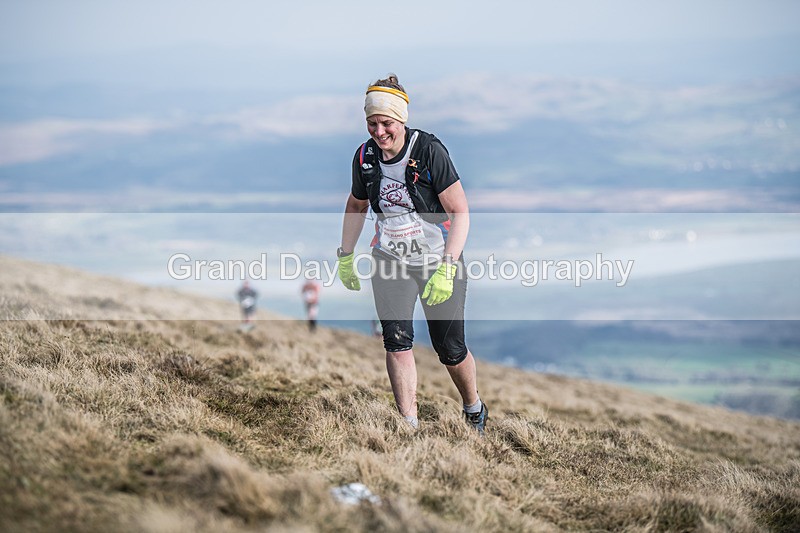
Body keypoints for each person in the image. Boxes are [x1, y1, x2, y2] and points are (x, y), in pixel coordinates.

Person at [337, 74, 488, 434]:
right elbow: (356, 205)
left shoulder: (428, 151)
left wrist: (448, 268)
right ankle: (408, 426)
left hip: (438, 259)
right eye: (371, 123)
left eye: (386, 123)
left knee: (450, 348)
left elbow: (460, 212)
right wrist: (345, 254)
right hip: (390, 261)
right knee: (397, 341)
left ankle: (473, 407)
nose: (378, 131)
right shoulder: (364, 157)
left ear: (401, 120)